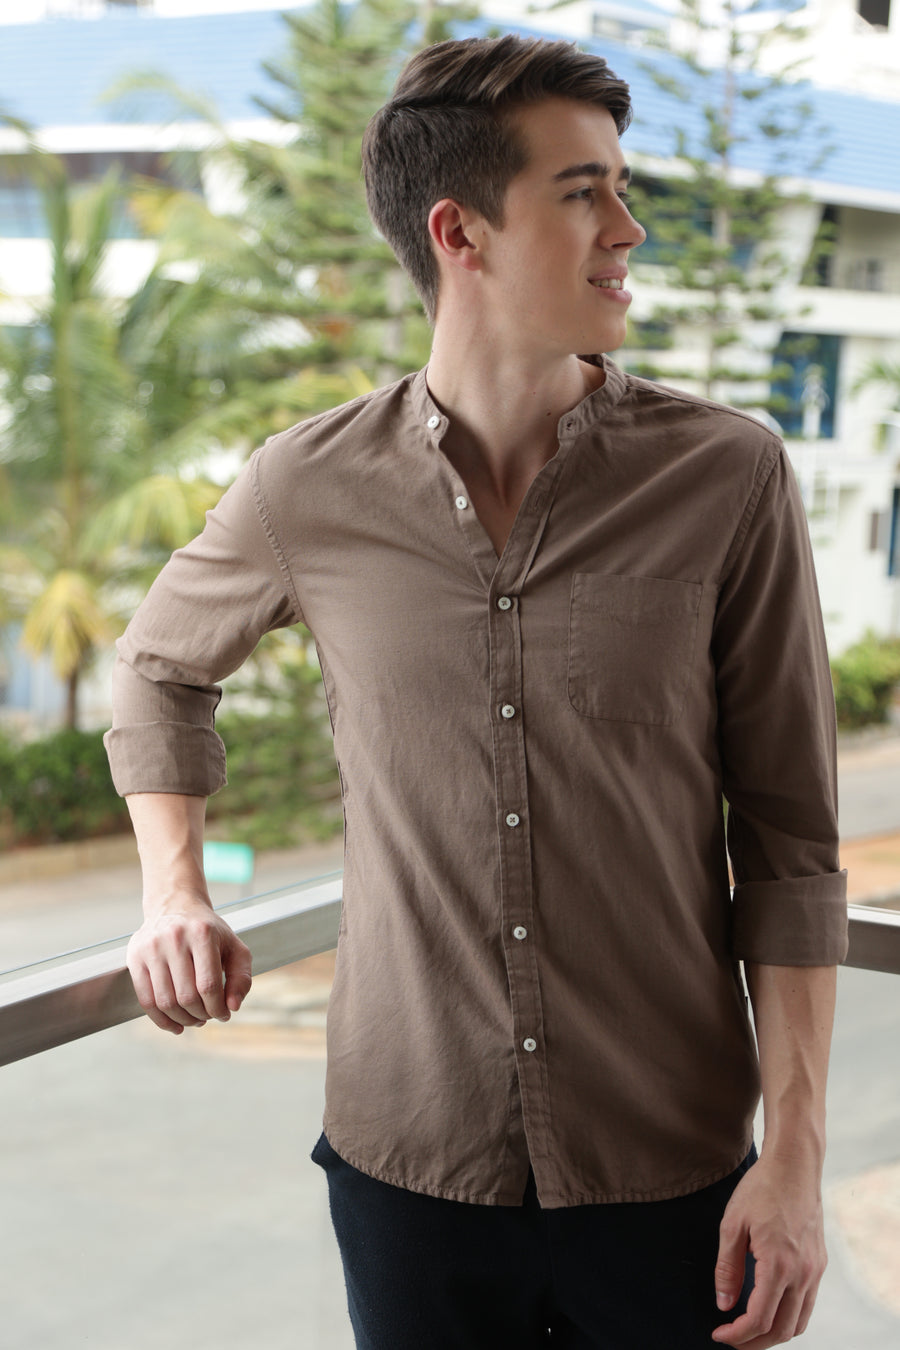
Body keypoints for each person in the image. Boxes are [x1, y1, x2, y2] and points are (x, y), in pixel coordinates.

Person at [104, 33, 848, 1350]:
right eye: (583, 193)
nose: (627, 228)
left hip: (672, 1175)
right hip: (411, 1173)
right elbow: (159, 669)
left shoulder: (728, 476)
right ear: (461, 233)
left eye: (623, 188)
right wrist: (175, 890)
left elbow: (790, 845)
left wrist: (793, 1157)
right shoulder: (306, 486)